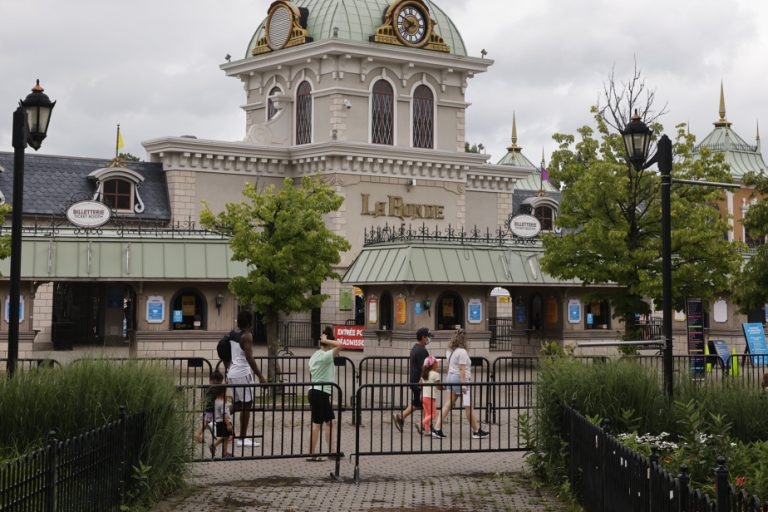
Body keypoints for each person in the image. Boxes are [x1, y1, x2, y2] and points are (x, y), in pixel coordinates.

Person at [432, 329, 489, 439]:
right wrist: (463, 385)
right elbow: (462, 369)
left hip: (451, 377)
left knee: (448, 404)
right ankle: (476, 430)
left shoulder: (449, 350)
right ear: (464, 340)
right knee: (468, 405)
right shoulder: (462, 352)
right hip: (461, 379)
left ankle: (437, 428)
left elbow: (450, 366)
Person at [226, 310, 267, 447]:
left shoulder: (232, 333)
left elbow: (225, 351)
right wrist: (261, 376)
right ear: (250, 322)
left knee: (239, 404)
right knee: (247, 404)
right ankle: (242, 439)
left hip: (232, 372)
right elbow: (249, 357)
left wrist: (228, 369)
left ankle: (217, 416)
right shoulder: (247, 336)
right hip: (242, 373)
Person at [307, 330, 344, 461]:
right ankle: (316, 453)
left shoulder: (315, 355)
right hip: (321, 393)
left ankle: (330, 452)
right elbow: (340, 345)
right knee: (322, 424)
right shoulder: (325, 356)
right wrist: (327, 340)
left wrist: (325, 341)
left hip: (314, 391)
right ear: (328, 343)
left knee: (328, 422)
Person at [393, 327, 431, 433]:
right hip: (419, 381)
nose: (428, 339)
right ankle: (423, 424)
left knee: (418, 403)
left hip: (415, 380)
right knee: (425, 402)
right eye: (427, 337)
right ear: (423, 337)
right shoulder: (422, 351)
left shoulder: (416, 348)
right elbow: (424, 368)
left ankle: (401, 417)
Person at [194, 370, 224, 444]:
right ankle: (222, 436)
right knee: (220, 421)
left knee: (205, 423)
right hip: (213, 409)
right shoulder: (216, 388)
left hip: (208, 409)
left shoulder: (208, 388)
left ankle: (197, 434)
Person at [210, 384, 234, 458]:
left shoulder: (216, 401)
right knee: (226, 438)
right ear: (223, 393)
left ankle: (214, 446)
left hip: (219, 422)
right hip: (224, 422)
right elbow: (224, 414)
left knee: (225, 437)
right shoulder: (222, 403)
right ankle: (224, 453)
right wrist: (228, 424)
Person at [419, 355, 441, 435]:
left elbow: (420, 385)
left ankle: (427, 430)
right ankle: (421, 423)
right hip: (431, 397)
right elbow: (439, 387)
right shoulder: (435, 374)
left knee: (428, 414)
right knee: (433, 414)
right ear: (433, 365)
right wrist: (446, 387)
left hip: (424, 397)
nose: (438, 364)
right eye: (436, 363)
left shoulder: (424, 374)